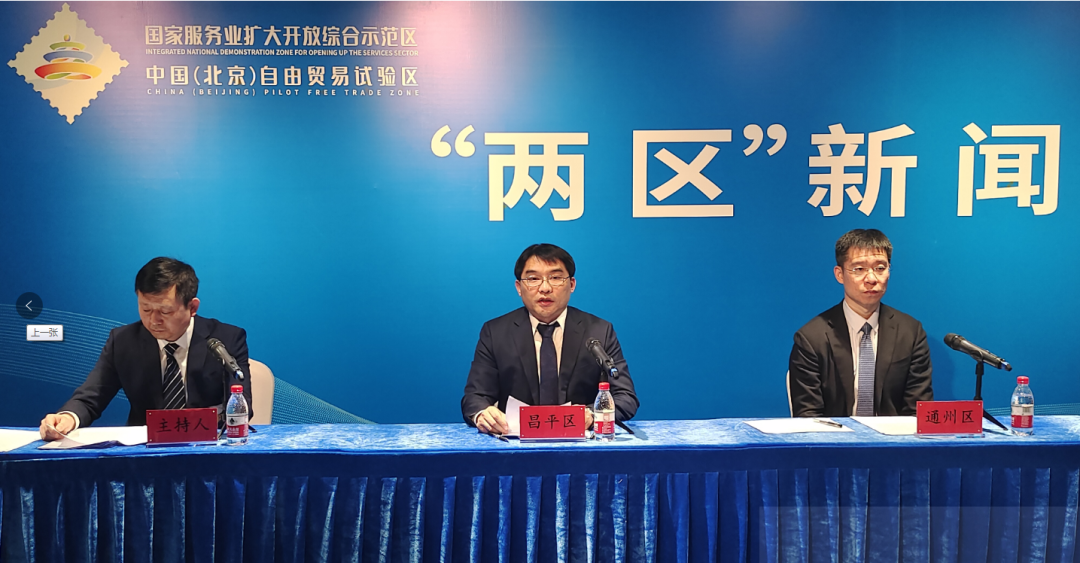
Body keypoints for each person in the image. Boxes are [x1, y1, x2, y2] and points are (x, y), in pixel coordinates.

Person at [39, 257, 252, 440]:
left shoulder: (225, 340)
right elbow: (92, 396)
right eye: (146, 309)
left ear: (192, 307)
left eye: (165, 311)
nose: (153, 320)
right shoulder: (123, 342)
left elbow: (242, 406)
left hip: (207, 446)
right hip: (143, 452)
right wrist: (67, 418)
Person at [462, 243, 640, 435]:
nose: (545, 288)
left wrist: (591, 414)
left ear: (572, 285)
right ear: (519, 287)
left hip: (579, 443)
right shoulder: (495, 332)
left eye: (555, 278)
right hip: (515, 443)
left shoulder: (599, 331)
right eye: (533, 279)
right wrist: (483, 414)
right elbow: (475, 397)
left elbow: (625, 397)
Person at [788, 229, 933, 417]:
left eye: (880, 268)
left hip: (894, 435)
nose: (871, 279)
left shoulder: (910, 333)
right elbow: (808, 416)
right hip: (835, 435)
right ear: (839, 274)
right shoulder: (812, 338)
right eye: (859, 269)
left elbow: (918, 411)